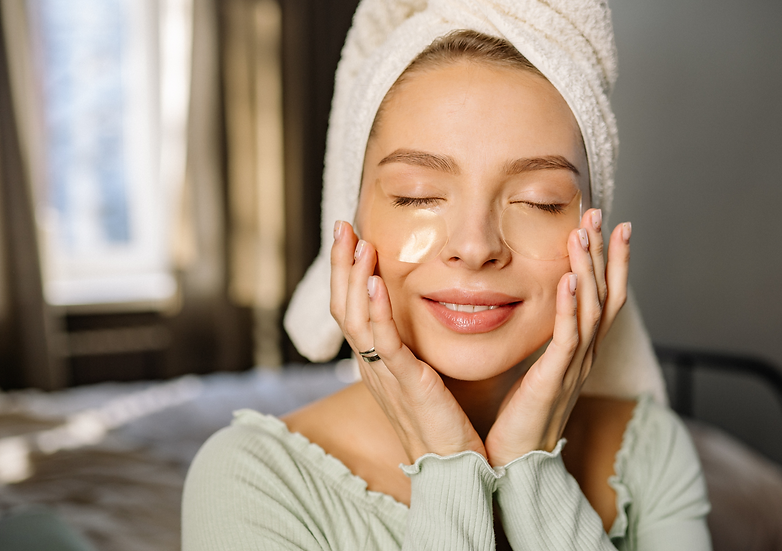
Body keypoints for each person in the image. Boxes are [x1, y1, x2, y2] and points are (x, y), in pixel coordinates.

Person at [182, 1, 711, 549]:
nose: (475, 246)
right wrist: (448, 467)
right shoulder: (251, 479)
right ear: (352, 221)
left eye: (540, 201)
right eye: (418, 195)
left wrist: (531, 470)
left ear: (593, 240)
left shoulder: (648, 449)